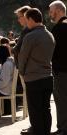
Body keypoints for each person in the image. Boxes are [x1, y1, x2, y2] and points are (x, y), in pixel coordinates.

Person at [18, 8, 55, 135]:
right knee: (46, 109)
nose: (26, 23)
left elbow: (23, 58)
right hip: (48, 77)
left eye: (26, 19)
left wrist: (22, 72)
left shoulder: (30, 36)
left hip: (33, 78)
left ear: (31, 19)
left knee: (35, 111)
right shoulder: (50, 35)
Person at [49, 1, 67, 135]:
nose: (50, 13)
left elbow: (52, 51)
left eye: (51, 11)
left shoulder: (58, 28)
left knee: (61, 102)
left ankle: (63, 129)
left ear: (59, 11)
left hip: (61, 71)